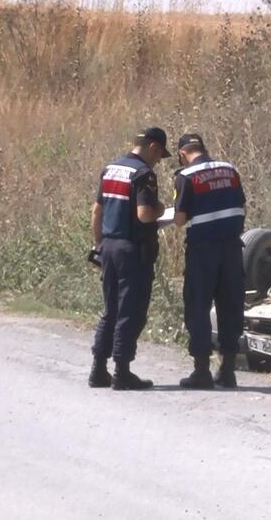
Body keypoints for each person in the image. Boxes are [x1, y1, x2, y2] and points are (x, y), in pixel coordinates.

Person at [89, 127, 169, 390]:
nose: (157, 161)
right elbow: (145, 214)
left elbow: (96, 211)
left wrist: (99, 244)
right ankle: (122, 372)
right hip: (132, 251)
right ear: (153, 147)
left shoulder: (110, 169)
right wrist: (160, 209)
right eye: (159, 156)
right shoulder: (144, 174)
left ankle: (98, 369)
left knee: (110, 309)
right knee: (130, 311)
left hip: (109, 247)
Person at [172, 133, 246, 389]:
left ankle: (201, 370)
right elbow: (241, 205)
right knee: (230, 307)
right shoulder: (230, 169)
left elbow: (180, 219)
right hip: (232, 248)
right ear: (203, 147)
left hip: (203, 251)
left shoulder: (186, 176)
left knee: (198, 307)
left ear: (182, 153)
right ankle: (227, 370)